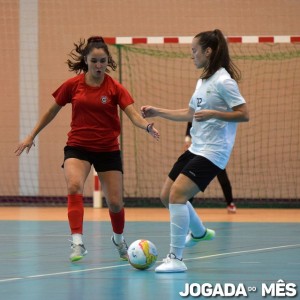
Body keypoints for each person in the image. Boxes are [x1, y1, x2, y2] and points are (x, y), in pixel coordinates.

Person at [15, 36, 159, 262]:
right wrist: (31, 135)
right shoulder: (72, 85)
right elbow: (51, 111)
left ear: (107, 61)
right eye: (94, 61)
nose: (99, 65)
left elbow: (132, 114)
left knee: (115, 203)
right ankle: (77, 242)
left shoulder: (115, 87)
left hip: (107, 149)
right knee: (74, 186)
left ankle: (119, 239)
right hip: (78, 147)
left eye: (103, 61)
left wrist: (146, 126)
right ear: (86, 60)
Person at [141, 29, 249, 273]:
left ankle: (176, 259)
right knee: (165, 195)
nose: (192, 56)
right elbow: (190, 114)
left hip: (214, 151)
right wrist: (159, 111)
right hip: (196, 147)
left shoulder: (224, 81)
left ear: (208, 51)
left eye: (194, 51)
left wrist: (214, 113)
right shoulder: (202, 81)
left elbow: (244, 114)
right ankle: (199, 232)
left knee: (177, 196)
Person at [184, 122, 237, 213]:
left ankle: (230, 203)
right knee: (192, 177)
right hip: (199, 149)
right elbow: (190, 123)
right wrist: (187, 140)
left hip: (213, 151)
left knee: (222, 175)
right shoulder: (196, 111)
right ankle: (188, 202)